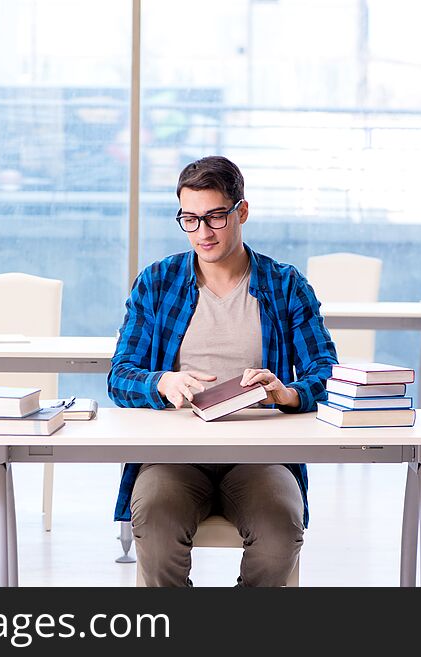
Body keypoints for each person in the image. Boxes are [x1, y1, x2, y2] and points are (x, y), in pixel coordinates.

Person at [107, 155, 338, 586]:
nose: (203, 233)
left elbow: (325, 372)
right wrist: (162, 381)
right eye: (189, 219)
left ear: (241, 211)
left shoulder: (284, 284)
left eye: (215, 216)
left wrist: (286, 393)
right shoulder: (157, 282)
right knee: (155, 522)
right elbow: (119, 375)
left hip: (259, 457)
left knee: (281, 528)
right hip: (173, 457)